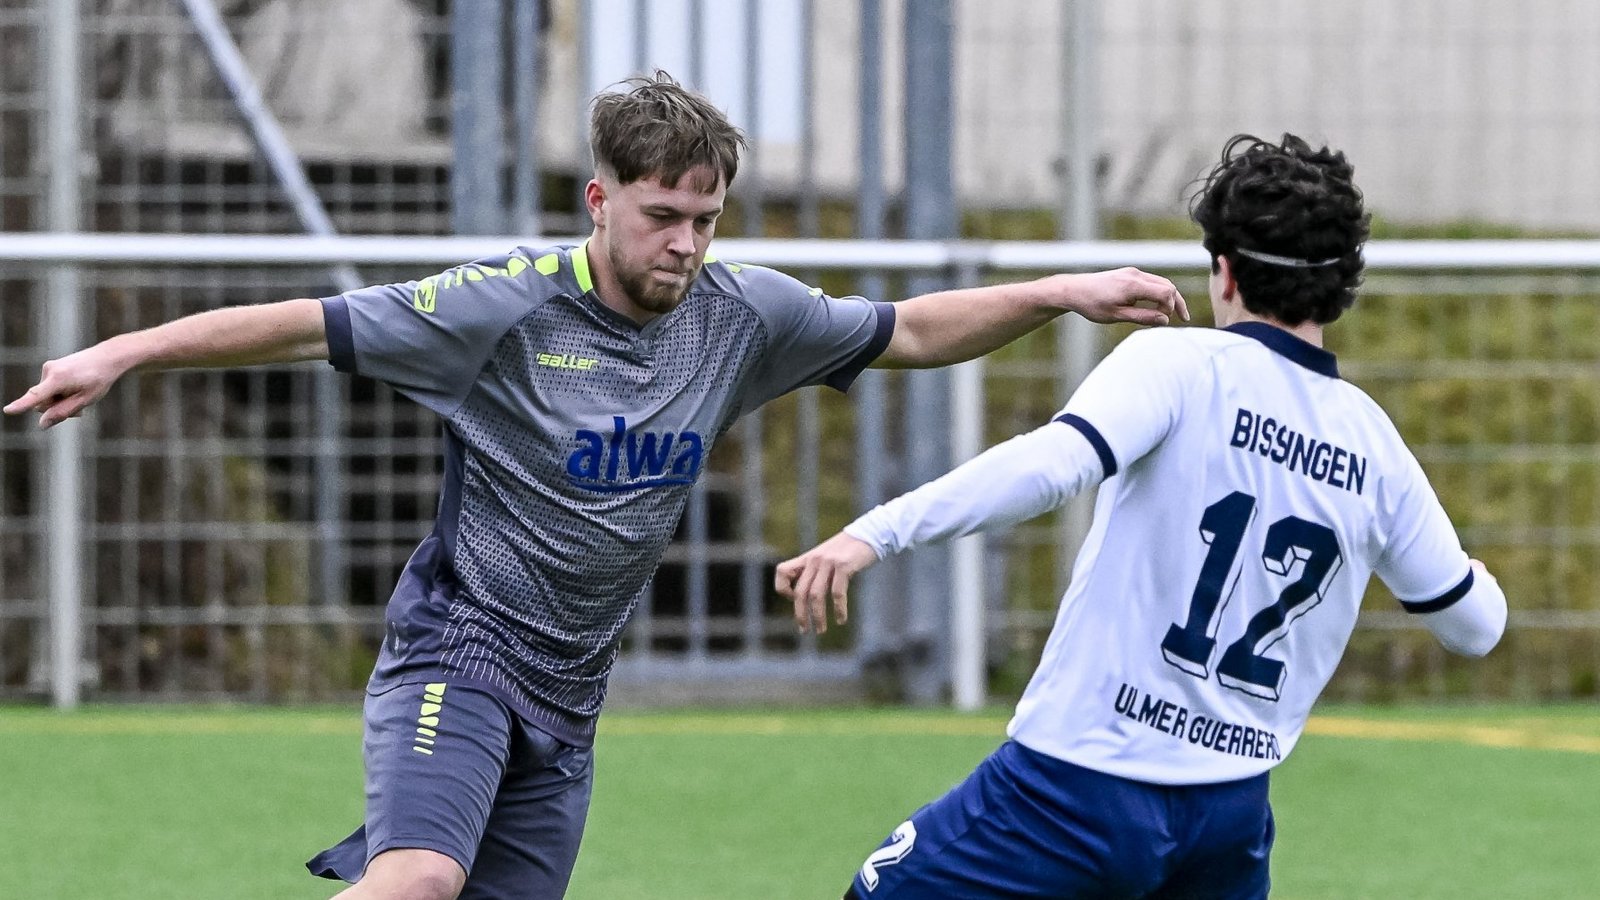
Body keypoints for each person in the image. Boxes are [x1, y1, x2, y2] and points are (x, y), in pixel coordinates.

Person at [3, 71, 1186, 900]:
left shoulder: (742, 317)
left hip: (570, 696)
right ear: (600, 199)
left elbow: (912, 330)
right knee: (417, 880)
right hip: (458, 648)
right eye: (662, 216)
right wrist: (124, 352)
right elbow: (304, 325)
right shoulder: (502, 305)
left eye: (705, 220)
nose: (685, 244)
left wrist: (1058, 293)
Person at [775, 133, 1509, 900]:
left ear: (1224, 270)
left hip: (1078, 787)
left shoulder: (1179, 365)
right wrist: (1474, 578)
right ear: (1342, 284)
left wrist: (877, 531)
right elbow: (1476, 627)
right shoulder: (1373, 444)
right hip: (1229, 818)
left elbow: (1052, 467)